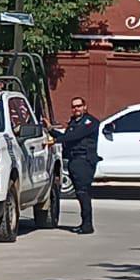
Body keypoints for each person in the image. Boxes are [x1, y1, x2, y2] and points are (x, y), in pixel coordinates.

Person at [53, 96, 100, 235]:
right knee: (80, 193)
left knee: (83, 192)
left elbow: (75, 136)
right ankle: (85, 224)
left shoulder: (90, 122)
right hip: (74, 161)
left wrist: (56, 140)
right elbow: (67, 136)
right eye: (74, 107)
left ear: (85, 107)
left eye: (79, 106)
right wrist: (50, 129)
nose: (76, 109)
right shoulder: (74, 122)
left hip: (84, 161)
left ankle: (87, 225)